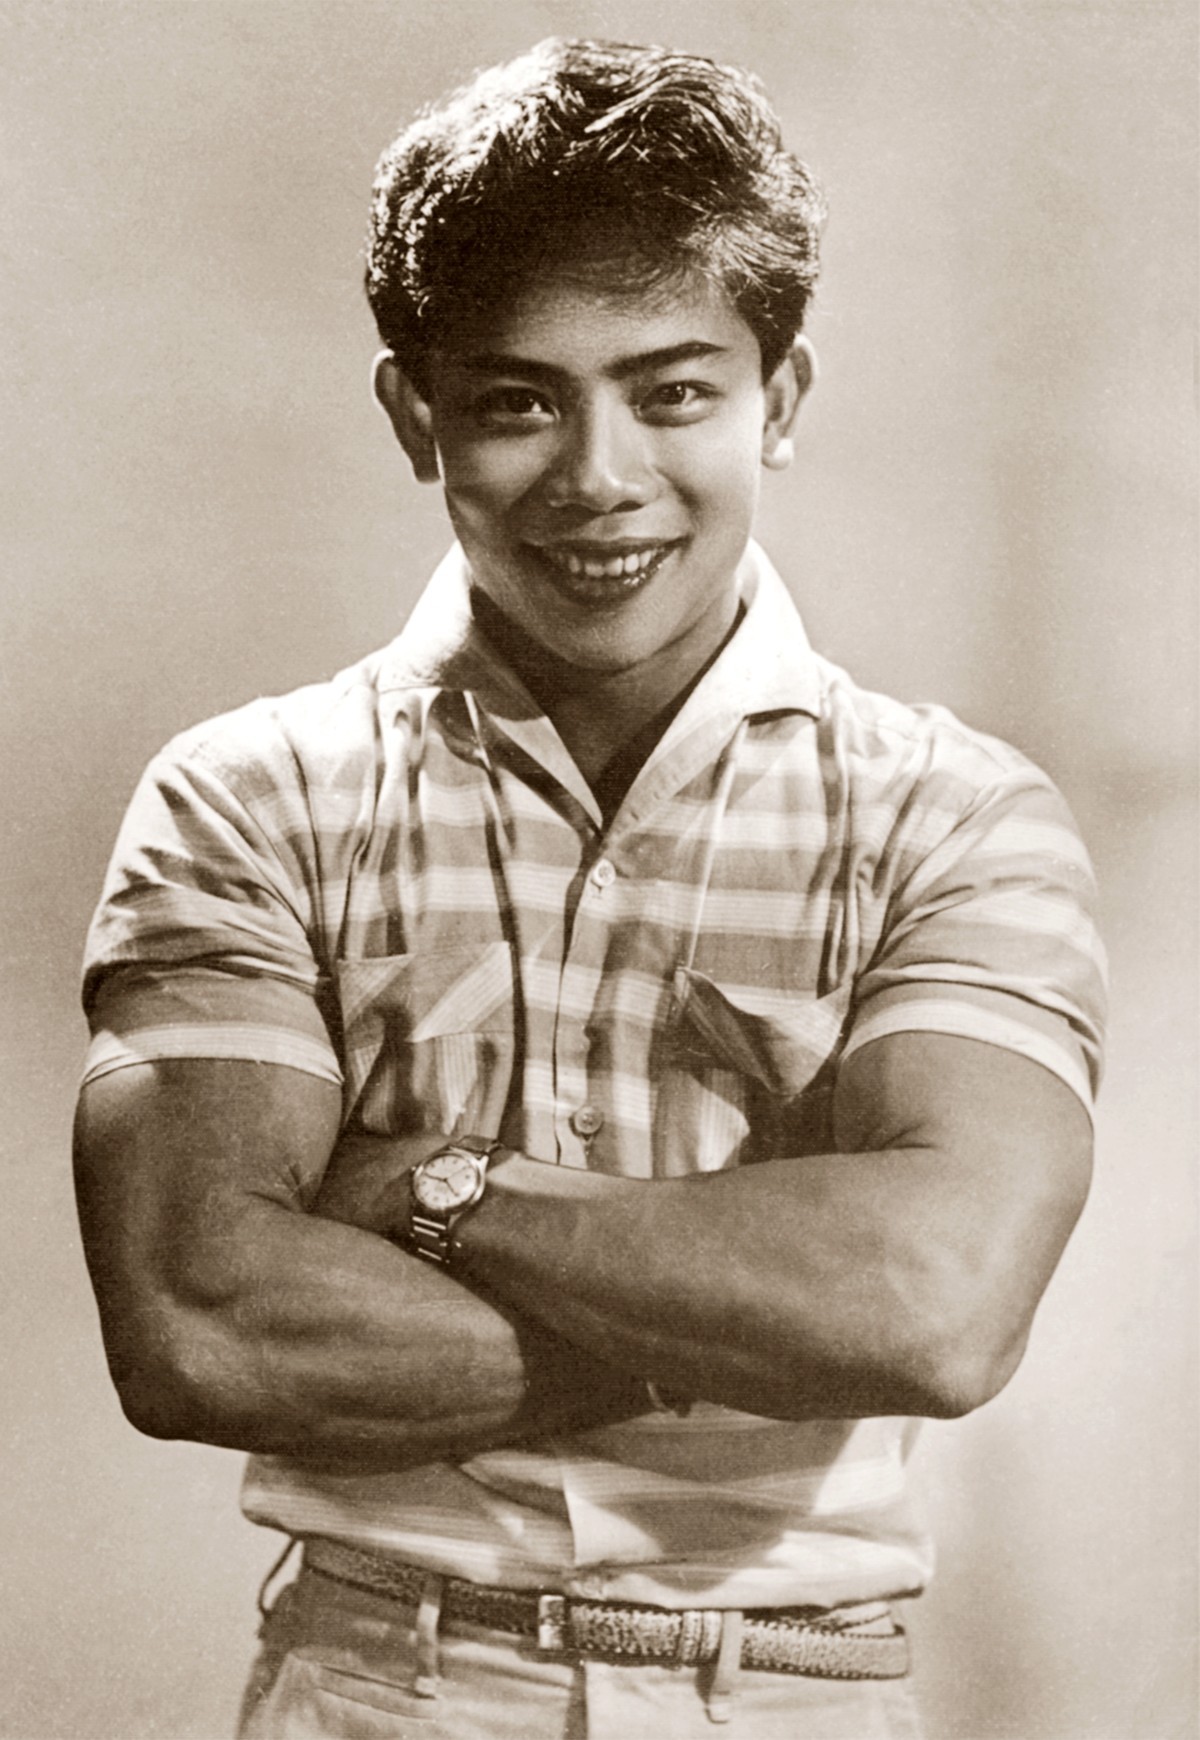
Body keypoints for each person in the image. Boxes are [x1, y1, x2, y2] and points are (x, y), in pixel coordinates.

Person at [73, 37, 1106, 1740]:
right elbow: (200, 1328)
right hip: (374, 1692)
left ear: (782, 397)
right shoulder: (245, 798)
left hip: (796, 1700)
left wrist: (434, 1191)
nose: (598, 477)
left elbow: (927, 1310)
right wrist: (752, 1325)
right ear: (417, 412)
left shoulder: (956, 814)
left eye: (674, 390)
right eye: (517, 397)